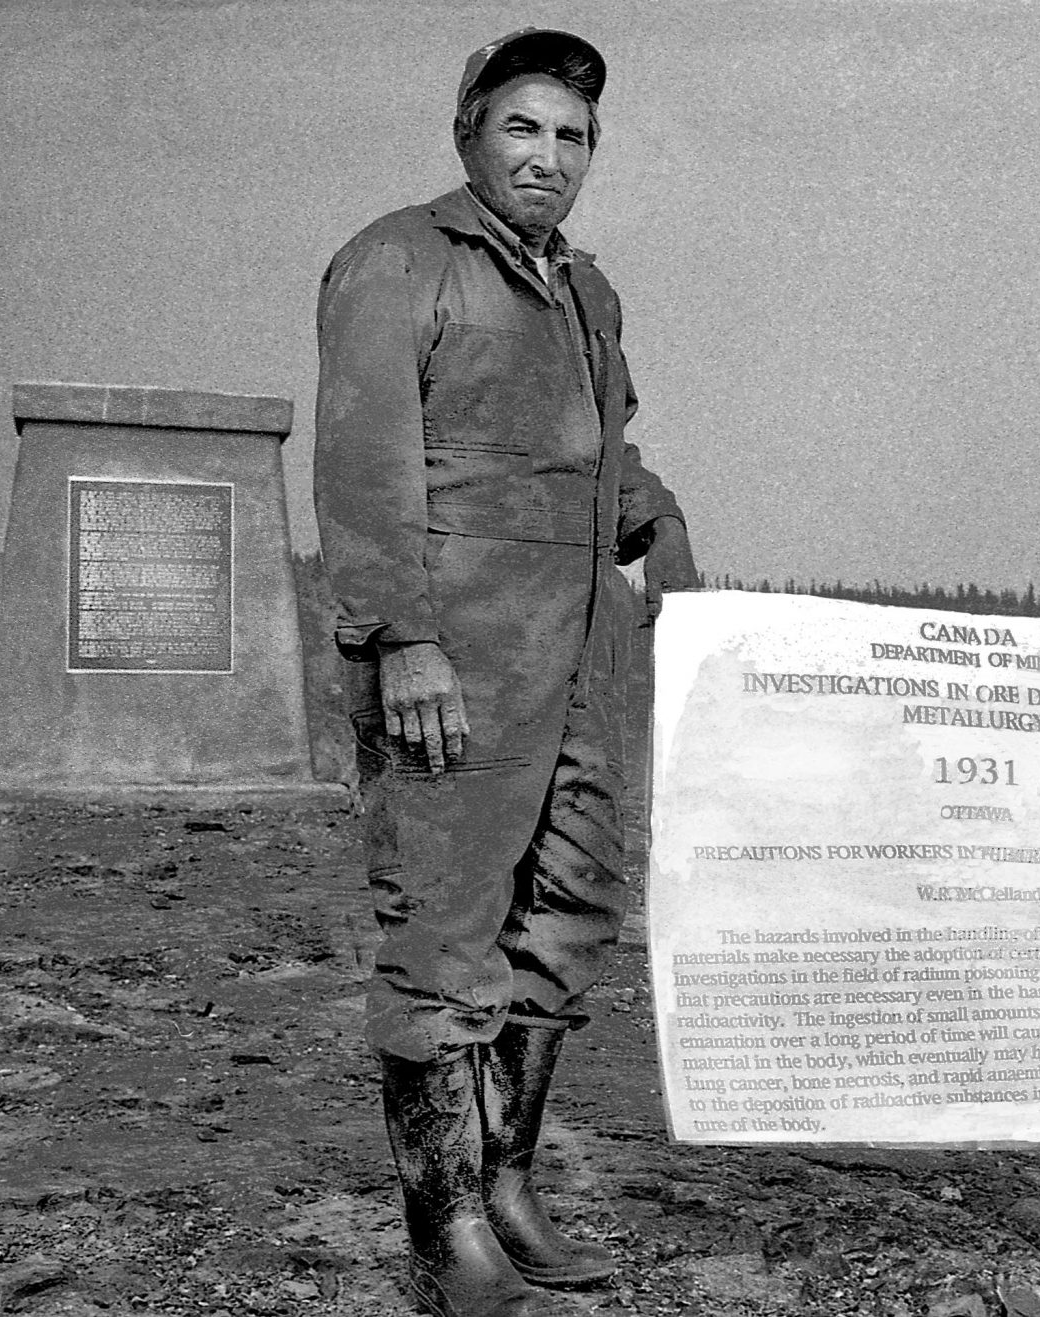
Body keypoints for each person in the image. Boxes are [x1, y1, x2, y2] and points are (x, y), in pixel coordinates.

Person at [313, 28, 696, 1317]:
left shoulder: (587, 292)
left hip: (584, 663)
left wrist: (667, 533)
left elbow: (604, 454)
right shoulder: (398, 260)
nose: (548, 154)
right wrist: (402, 638)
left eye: (572, 136)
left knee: (572, 916)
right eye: (522, 127)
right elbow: (367, 465)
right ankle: (447, 1235)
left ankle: (511, 1184)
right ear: (469, 132)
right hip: (455, 668)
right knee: (444, 936)